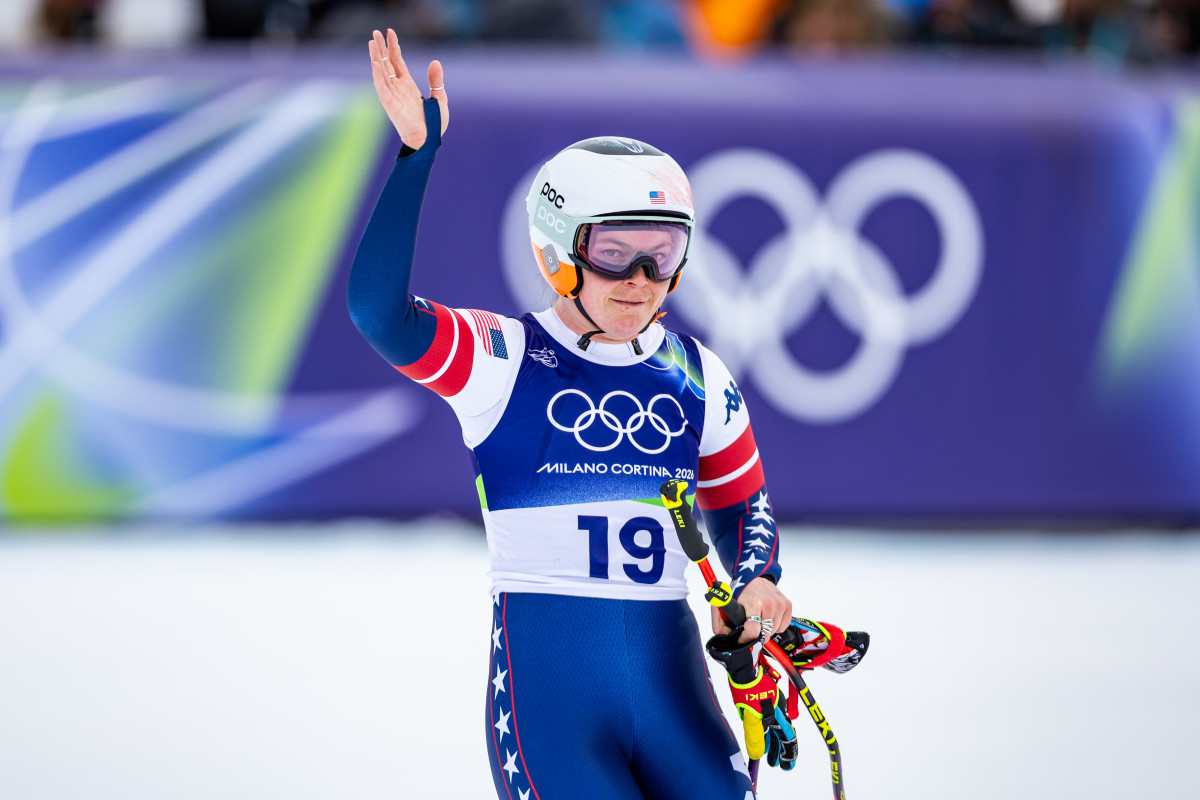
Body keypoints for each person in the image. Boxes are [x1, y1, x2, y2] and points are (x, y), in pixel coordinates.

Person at [348, 29, 863, 799]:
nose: (645, 279)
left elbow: (742, 505)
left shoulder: (697, 374)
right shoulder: (500, 359)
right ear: (557, 252)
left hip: (675, 692)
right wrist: (417, 158)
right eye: (618, 251)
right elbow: (379, 314)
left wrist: (758, 582)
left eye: (665, 250)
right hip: (555, 704)